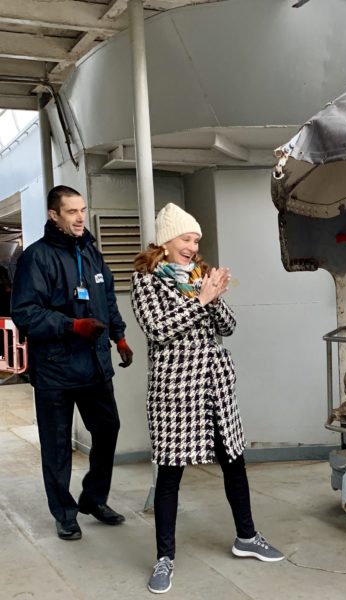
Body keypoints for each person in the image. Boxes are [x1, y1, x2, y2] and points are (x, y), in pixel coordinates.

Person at [131, 203, 284, 594]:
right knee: (169, 475)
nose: (193, 245)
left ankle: (246, 537)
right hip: (175, 392)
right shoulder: (146, 280)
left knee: (234, 462)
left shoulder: (201, 276)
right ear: (165, 242)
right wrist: (200, 300)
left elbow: (229, 326)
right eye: (186, 238)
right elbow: (158, 329)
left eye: (196, 239)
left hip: (214, 387)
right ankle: (164, 558)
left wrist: (214, 298)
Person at [11, 185, 134, 541]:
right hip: (55, 370)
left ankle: (93, 499)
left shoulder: (91, 253)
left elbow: (106, 297)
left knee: (107, 430)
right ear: (54, 215)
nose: (80, 217)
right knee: (58, 445)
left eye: (82, 210)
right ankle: (64, 513)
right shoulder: (37, 258)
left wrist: (119, 336)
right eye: (71, 212)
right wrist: (72, 325)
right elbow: (25, 313)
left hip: (94, 366)